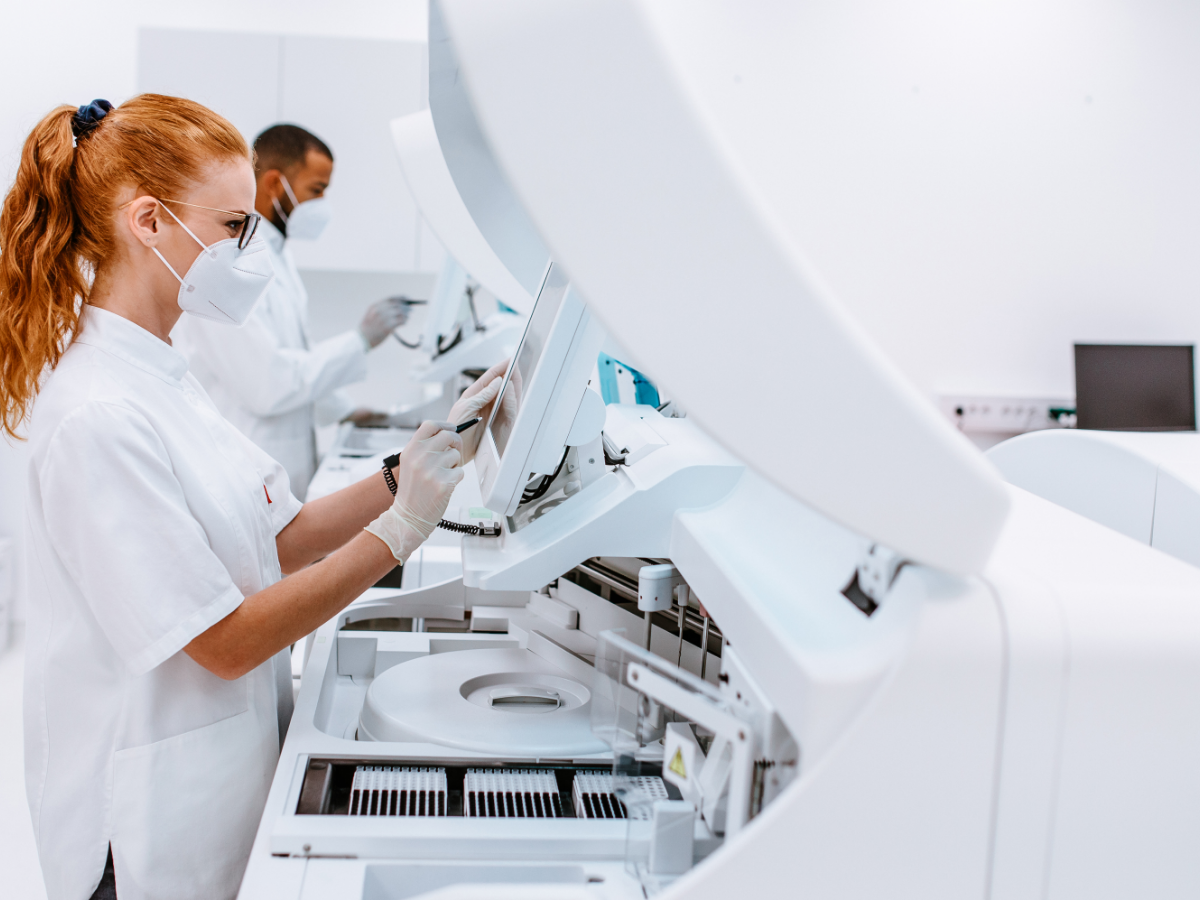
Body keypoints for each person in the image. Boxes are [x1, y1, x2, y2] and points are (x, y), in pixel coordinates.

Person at [0, 96, 502, 900]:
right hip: (141, 833)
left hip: (214, 782)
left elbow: (285, 533)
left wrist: (405, 471)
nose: (248, 251)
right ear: (150, 222)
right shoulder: (99, 415)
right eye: (234, 227)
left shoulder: (162, 373)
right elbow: (224, 643)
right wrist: (399, 532)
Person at [173, 123, 412, 499]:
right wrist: (360, 341)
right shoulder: (230, 262)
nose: (321, 205)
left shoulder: (277, 255)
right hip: (244, 475)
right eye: (315, 191)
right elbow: (268, 384)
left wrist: (344, 410)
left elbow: (296, 357)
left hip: (280, 469)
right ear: (273, 184)